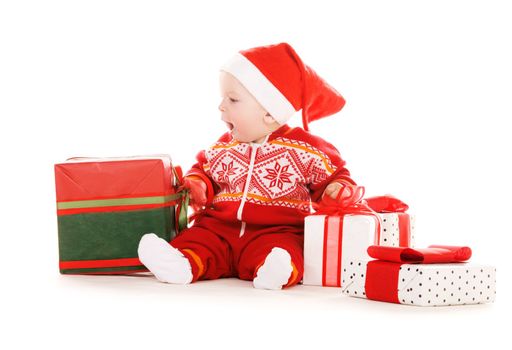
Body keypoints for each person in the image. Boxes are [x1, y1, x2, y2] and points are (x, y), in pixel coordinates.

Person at [138, 42, 360, 290]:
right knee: (199, 238)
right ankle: (181, 264)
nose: (221, 106)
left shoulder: (305, 149)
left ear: (270, 113)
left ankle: (276, 270)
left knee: (285, 248)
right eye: (223, 98)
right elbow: (202, 170)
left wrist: (337, 188)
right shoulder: (223, 148)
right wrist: (197, 184)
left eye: (232, 99)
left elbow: (335, 175)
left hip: (275, 230)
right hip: (220, 228)